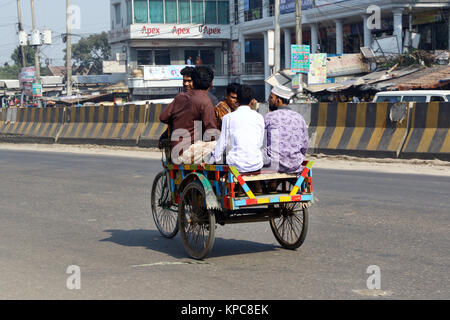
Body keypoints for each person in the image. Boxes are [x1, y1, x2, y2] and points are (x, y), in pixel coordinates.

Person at [160, 66, 219, 164]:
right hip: (187, 150)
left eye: (189, 81)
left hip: (178, 149)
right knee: (223, 145)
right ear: (211, 84)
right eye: (185, 81)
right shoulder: (206, 100)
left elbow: (163, 117)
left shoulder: (180, 97)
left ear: (194, 82)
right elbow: (211, 132)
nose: (186, 84)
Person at [209, 84, 265, 174]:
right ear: (252, 101)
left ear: (237, 99)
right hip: (256, 164)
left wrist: (213, 160)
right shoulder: (259, 117)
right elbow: (260, 143)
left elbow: (222, 142)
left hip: (235, 165)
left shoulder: (228, 118)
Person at [264, 84, 309, 175]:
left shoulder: (269, 117)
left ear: (278, 100)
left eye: (271, 98)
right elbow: (305, 145)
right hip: (295, 164)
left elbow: (261, 141)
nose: (268, 100)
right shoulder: (299, 117)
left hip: (274, 164)